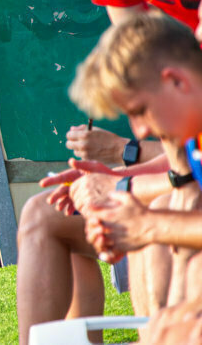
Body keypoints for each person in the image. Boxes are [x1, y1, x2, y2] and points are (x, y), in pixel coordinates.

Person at [16, 0, 199, 343]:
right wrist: (121, 171)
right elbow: (135, 69)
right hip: (180, 151)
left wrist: (125, 165)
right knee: (45, 212)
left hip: (184, 160)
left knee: (159, 216)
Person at [70, 16, 202, 312]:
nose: (140, 131)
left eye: (141, 110)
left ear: (176, 80)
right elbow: (185, 193)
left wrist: (148, 225)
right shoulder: (190, 137)